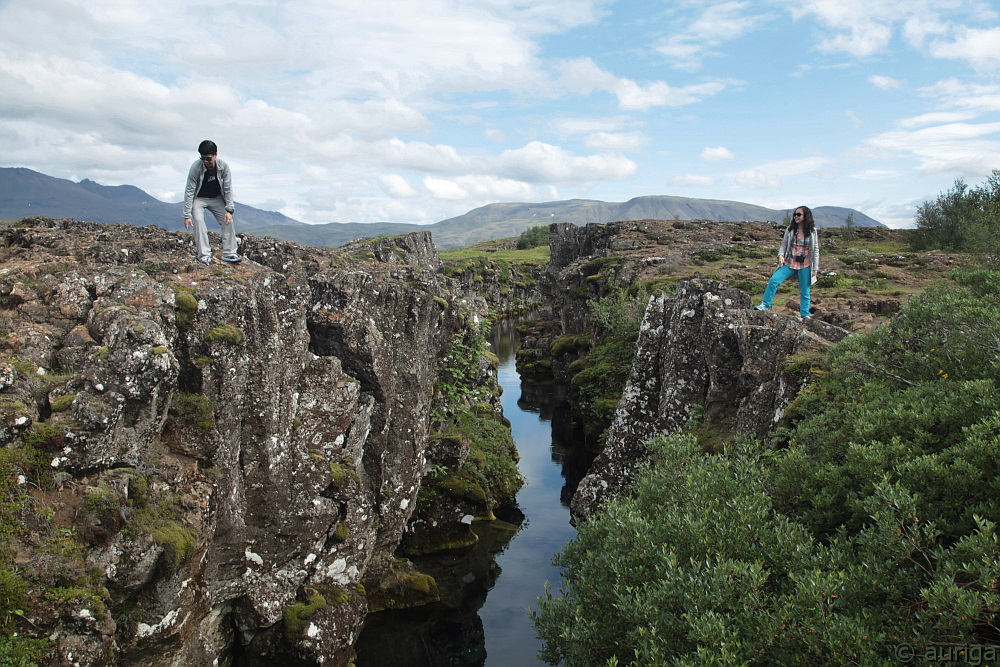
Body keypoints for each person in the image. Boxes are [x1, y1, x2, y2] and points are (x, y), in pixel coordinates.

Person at [754, 205, 819, 319]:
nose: (796, 216)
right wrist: (780, 255)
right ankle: (765, 305)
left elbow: (816, 249)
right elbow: (784, 245)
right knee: (774, 281)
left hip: (805, 264)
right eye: (794, 214)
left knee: (805, 291)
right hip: (789, 263)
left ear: (806, 216)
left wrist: (815, 268)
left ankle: (805, 314)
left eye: (799, 214)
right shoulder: (790, 230)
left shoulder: (812, 231)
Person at [183, 140, 241, 265]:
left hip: (217, 198)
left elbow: (228, 188)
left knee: (227, 220)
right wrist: (187, 215)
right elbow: (189, 190)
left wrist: (229, 210)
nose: (205, 162)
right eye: (202, 158)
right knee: (198, 220)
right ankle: (204, 255)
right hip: (199, 198)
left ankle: (230, 253)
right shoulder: (195, 167)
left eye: (208, 159)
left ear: (215, 155)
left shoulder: (223, 167)